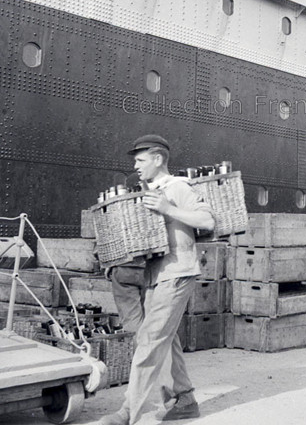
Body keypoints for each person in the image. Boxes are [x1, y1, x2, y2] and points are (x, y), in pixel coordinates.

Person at [102, 134, 215, 425]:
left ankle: (128, 412)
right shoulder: (151, 189)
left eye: (140, 160)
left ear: (158, 159)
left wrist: (167, 209)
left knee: (150, 339)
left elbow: (208, 221)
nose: (136, 166)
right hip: (156, 274)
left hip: (178, 271)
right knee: (166, 339)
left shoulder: (177, 187)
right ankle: (185, 400)